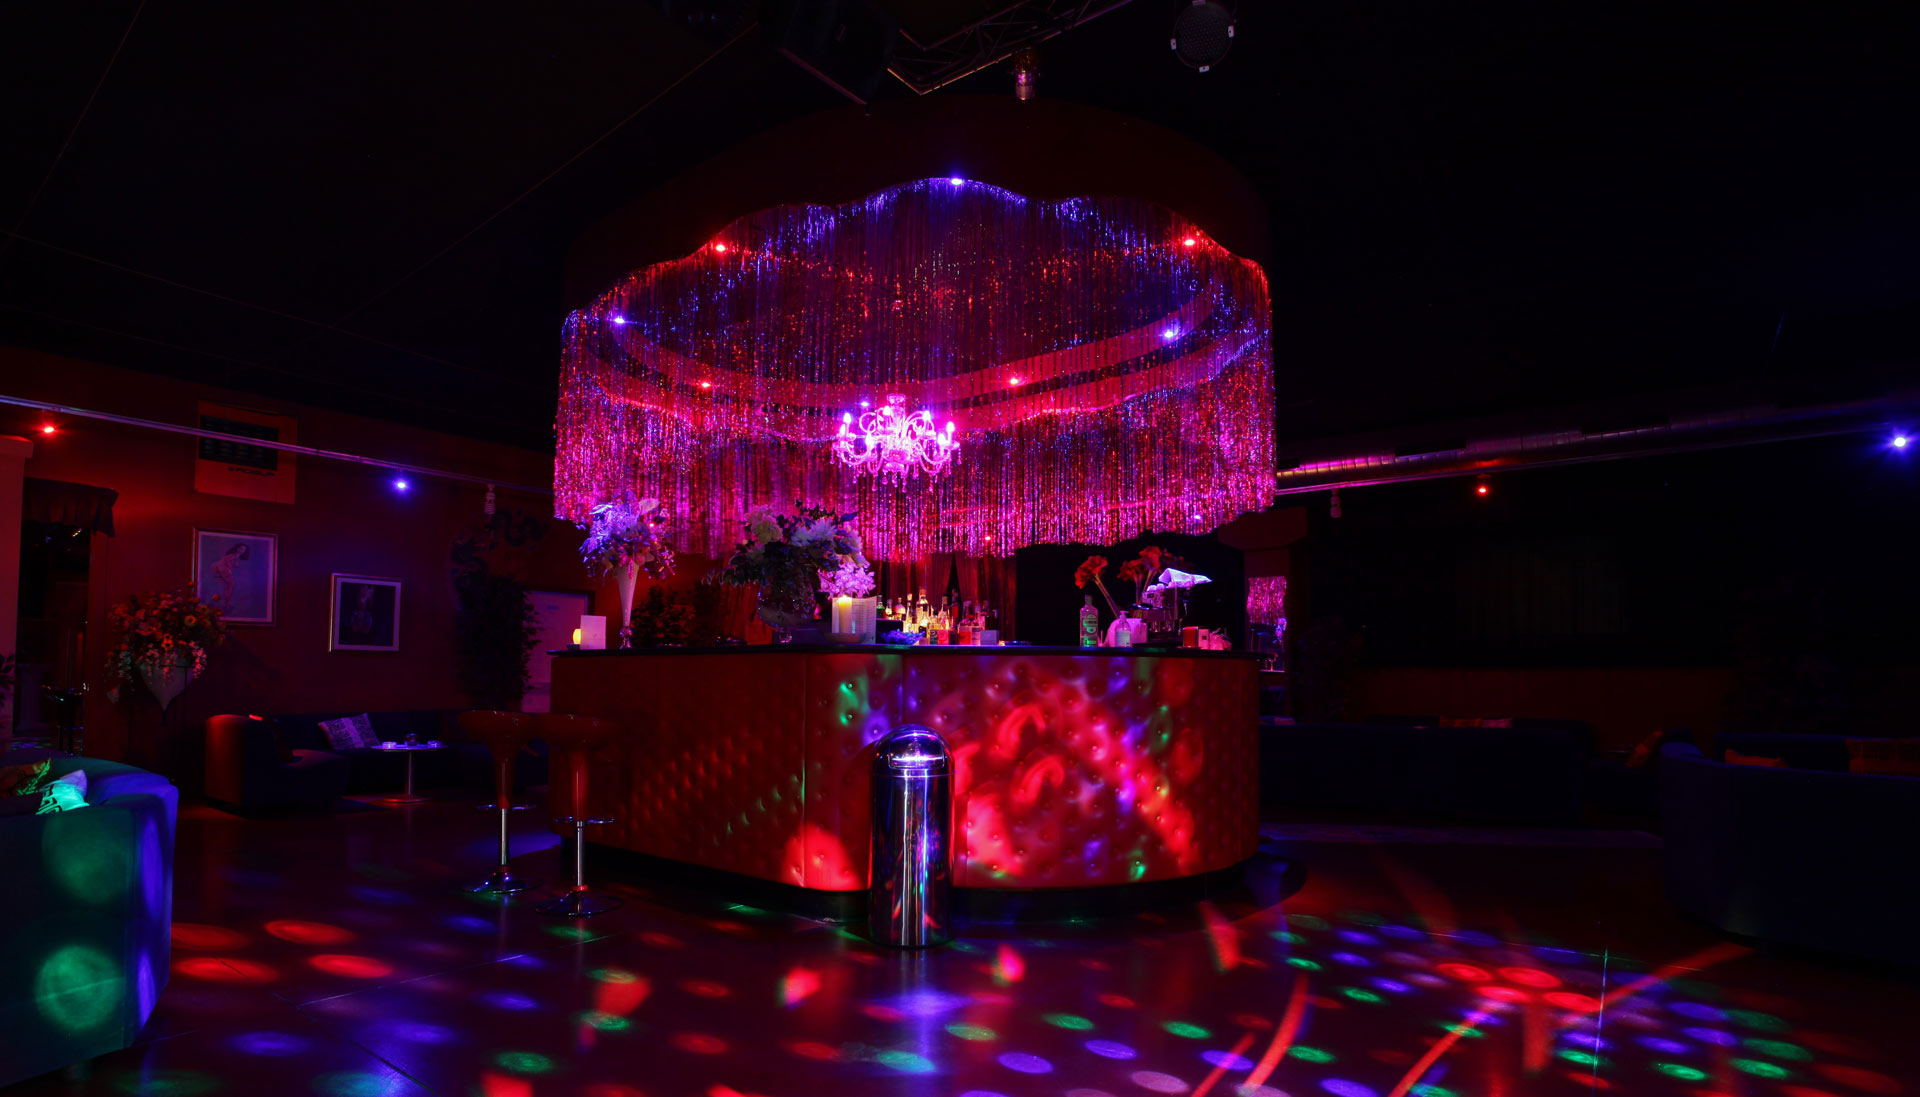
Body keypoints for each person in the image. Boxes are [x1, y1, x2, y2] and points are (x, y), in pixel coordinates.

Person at [211, 542, 250, 608]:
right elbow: (226, 560)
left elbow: (234, 563)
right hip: (222, 569)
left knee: (227, 586)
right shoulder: (235, 555)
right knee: (231, 585)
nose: (242, 551)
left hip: (217, 568)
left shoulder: (236, 556)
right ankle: (228, 602)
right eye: (241, 549)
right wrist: (229, 569)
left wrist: (235, 565)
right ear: (237, 549)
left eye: (244, 549)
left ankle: (227, 602)